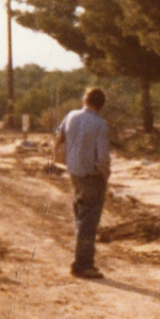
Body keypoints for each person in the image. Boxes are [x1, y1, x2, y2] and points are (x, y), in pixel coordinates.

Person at [56, 87, 111, 279]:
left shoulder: (71, 116)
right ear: (101, 105)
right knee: (89, 221)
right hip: (91, 175)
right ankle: (83, 265)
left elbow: (59, 136)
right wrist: (105, 174)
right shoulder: (100, 124)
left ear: (84, 99)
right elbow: (102, 157)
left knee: (81, 217)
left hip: (75, 173)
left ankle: (81, 261)